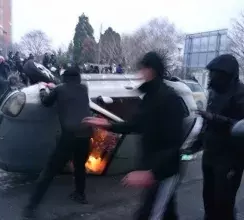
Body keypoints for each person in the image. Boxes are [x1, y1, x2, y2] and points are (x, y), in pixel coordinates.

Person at [83, 51, 186, 220]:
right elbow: (136, 124)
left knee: (152, 215)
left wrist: (152, 173)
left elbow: (174, 144)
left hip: (165, 172)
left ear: (152, 70)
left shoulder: (169, 98)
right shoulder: (150, 96)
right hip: (154, 168)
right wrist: (109, 125)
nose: (140, 74)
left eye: (143, 69)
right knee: (163, 213)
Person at [23, 67, 92, 219]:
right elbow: (70, 94)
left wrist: (43, 88)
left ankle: (31, 206)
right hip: (86, 134)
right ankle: (80, 195)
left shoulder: (60, 89)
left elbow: (46, 102)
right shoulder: (83, 88)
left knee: (50, 170)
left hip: (69, 135)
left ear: (64, 78)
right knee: (80, 166)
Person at [188, 54, 244, 220]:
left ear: (227, 74)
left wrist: (215, 118)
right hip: (211, 153)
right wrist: (196, 143)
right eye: (211, 73)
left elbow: (240, 124)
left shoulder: (240, 93)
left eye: (217, 73)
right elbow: (207, 123)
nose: (212, 77)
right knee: (209, 197)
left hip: (230, 157)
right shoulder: (214, 91)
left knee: (224, 200)